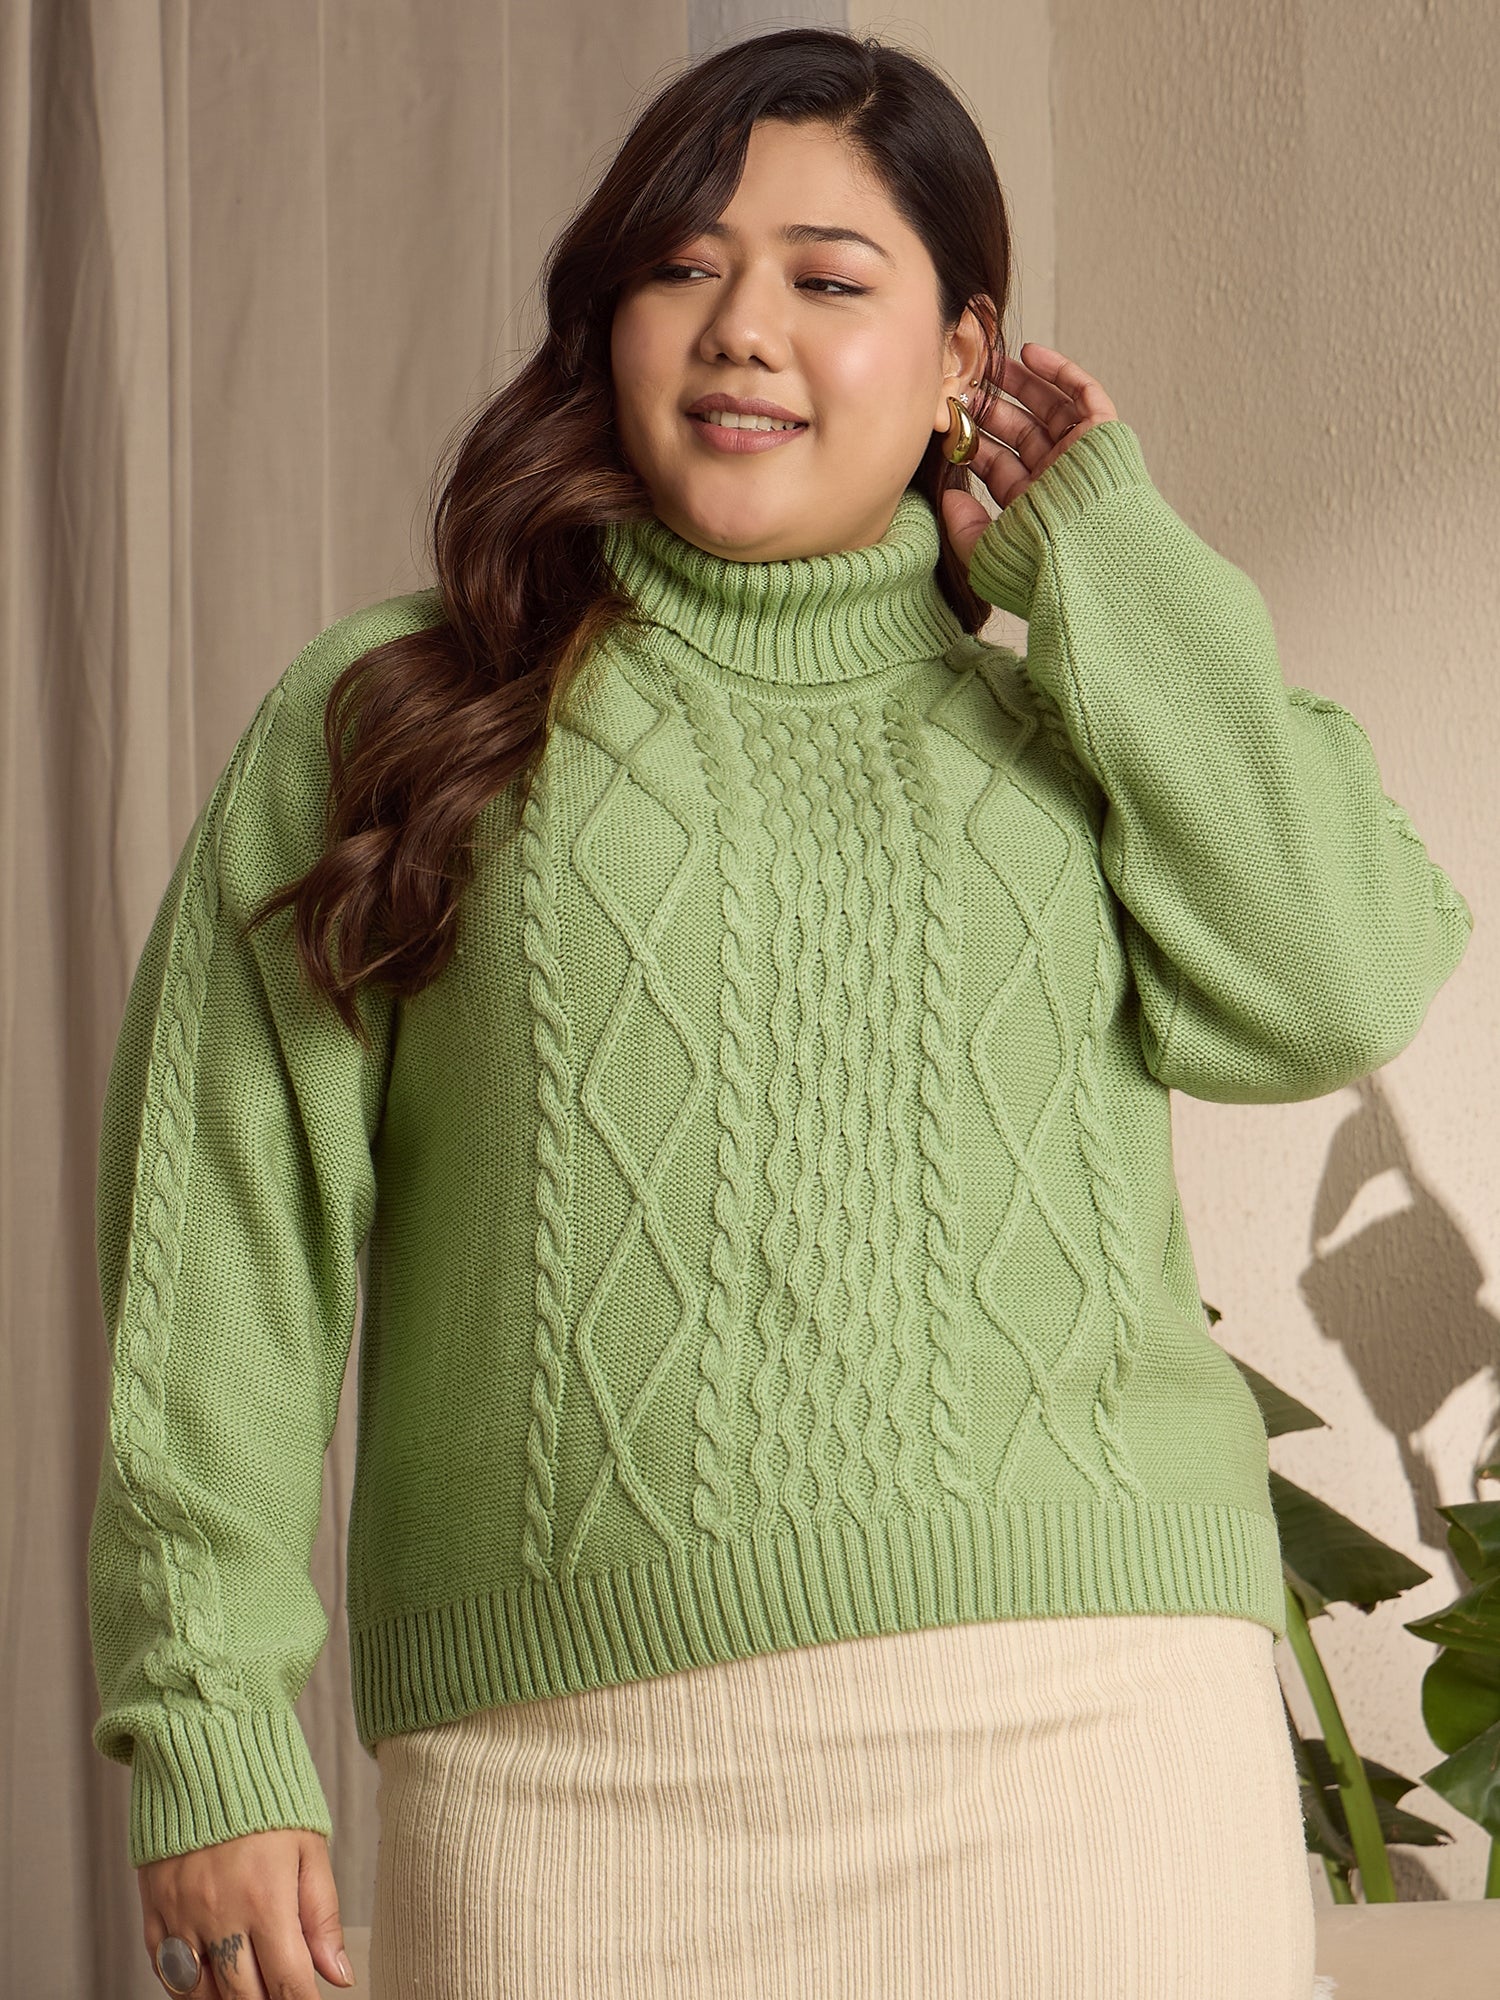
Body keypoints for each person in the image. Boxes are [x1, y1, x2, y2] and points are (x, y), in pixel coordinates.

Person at [88, 27, 1473, 2000]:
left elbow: (1334, 981)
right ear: (611, 318)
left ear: (962, 354)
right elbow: (221, 1239)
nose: (744, 327)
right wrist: (205, 1713)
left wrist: (1105, 549)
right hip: (566, 1781)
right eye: (685, 265)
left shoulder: (1073, 727)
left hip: (1098, 1751)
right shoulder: (403, 715)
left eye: (830, 280)